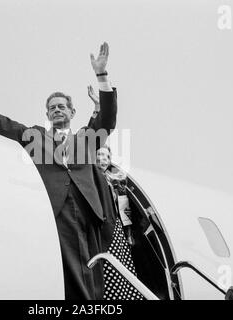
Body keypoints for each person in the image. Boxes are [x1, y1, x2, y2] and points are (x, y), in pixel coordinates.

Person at [0, 42, 117, 300]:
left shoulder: (86, 138)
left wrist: (102, 75)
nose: (57, 109)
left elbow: (108, 118)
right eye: (52, 107)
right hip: (55, 211)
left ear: (72, 112)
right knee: (64, 272)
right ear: (47, 114)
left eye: (62, 106)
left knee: (94, 278)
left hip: (90, 212)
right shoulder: (34, 135)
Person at [87, 86, 144, 300]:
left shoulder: (117, 182)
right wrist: (97, 109)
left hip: (118, 228)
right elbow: (96, 130)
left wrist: (129, 232)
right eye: (99, 155)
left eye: (105, 156)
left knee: (124, 265)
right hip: (102, 228)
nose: (102, 159)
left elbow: (125, 210)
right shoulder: (93, 177)